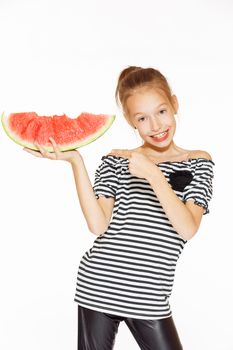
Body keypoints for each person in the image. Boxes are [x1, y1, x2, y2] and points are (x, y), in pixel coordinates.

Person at [23, 66, 215, 350]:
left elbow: (187, 228)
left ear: (175, 104)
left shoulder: (198, 161)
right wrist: (76, 161)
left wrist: (153, 175)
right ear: (130, 121)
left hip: (150, 297)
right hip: (98, 285)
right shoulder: (116, 161)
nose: (156, 126)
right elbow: (98, 226)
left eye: (161, 112)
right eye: (142, 118)